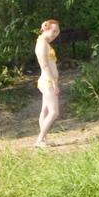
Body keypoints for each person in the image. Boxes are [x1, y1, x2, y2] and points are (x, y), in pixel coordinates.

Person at [33, 19, 61, 149]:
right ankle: (39, 140)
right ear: (46, 29)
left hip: (48, 80)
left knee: (44, 111)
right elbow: (44, 65)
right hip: (48, 81)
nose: (55, 34)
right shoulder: (42, 44)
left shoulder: (44, 42)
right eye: (53, 31)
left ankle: (43, 139)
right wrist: (54, 83)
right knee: (54, 112)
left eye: (57, 31)